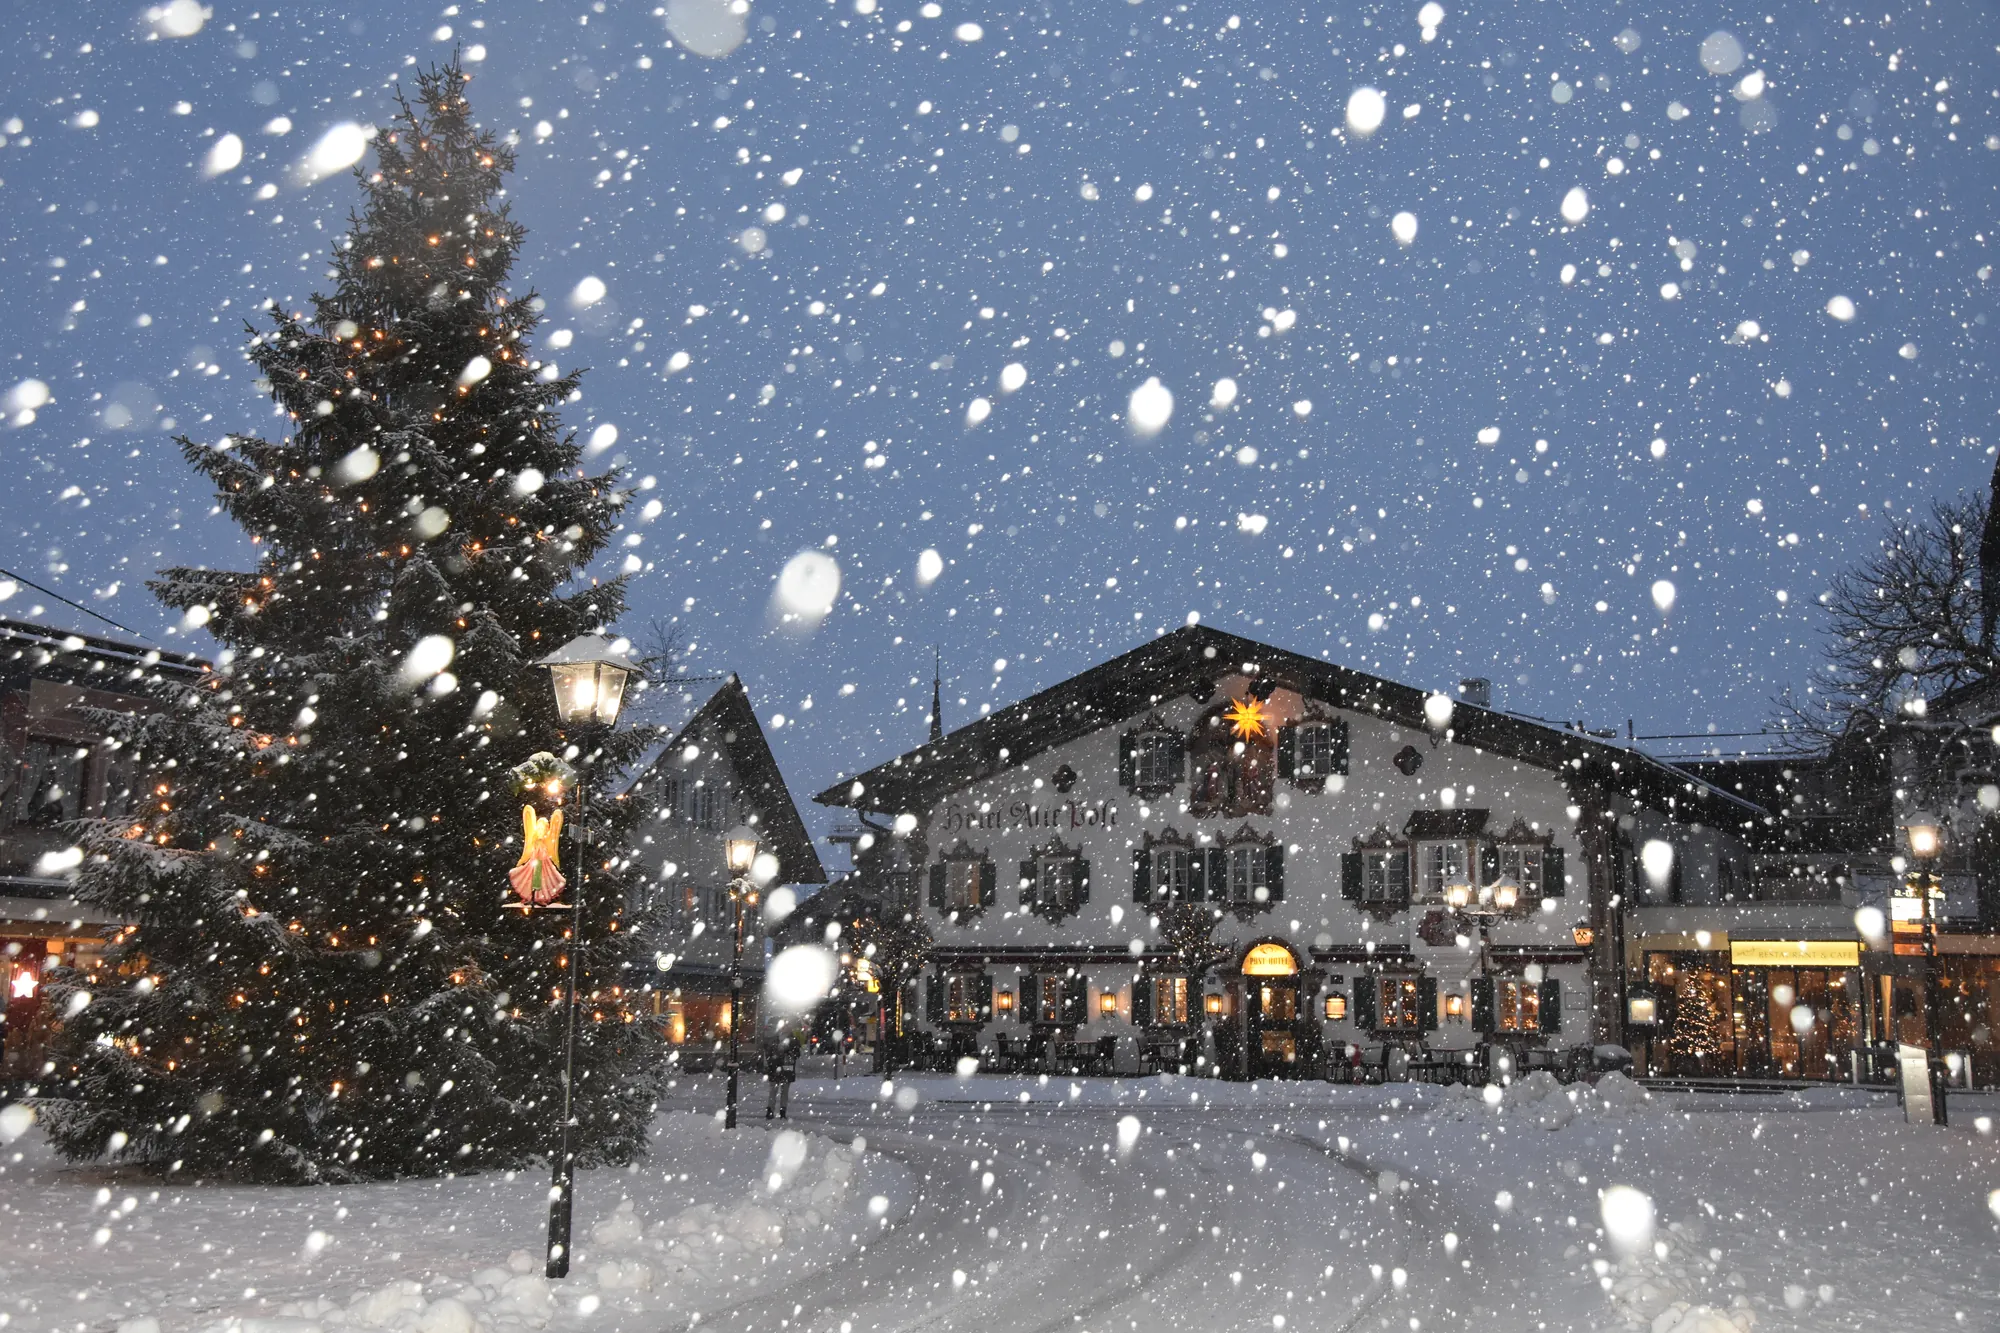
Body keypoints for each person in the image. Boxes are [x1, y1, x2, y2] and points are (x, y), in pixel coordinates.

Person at [763, 1027, 799, 1120]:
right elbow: (768, 1054)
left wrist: (789, 1052)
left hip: (784, 1069)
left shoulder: (791, 1041)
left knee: (782, 1092)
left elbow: (797, 1054)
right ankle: (772, 1111)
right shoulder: (775, 1040)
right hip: (777, 1068)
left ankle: (779, 1111)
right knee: (775, 1091)